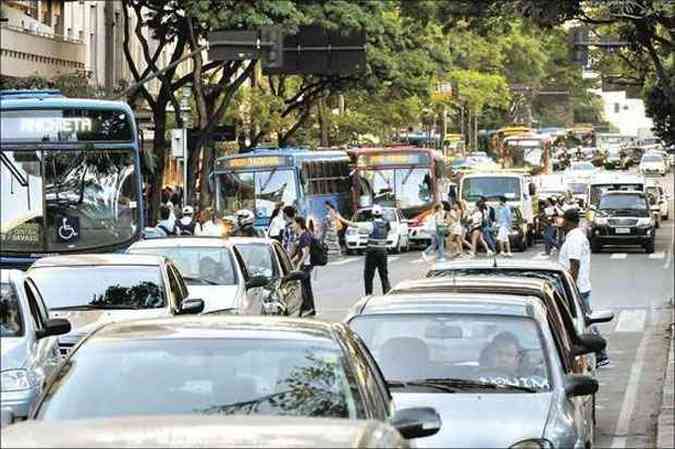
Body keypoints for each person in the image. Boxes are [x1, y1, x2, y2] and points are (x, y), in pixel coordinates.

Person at [558, 208, 610, 367]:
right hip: (582, 286)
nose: (560, 223)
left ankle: (600, 354)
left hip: (576, 288)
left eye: (562, 220)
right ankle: (597, 354)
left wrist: (569, 288)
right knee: (585, 320)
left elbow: (574, 264)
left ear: (568, 221)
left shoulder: (574, 239)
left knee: (584, 322)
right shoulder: (578, 236)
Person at [336, 204, 391, 295]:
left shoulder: (370, 225)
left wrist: (340, 218)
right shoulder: (386, 225)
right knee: (384, 275)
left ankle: (368, 295)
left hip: (372, 252)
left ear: (373, 214)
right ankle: (387, 293)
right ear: (381, 214)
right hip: (383, 252)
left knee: (368, 275)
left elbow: (354, 225)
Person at [290, 216, 316, 317]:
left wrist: (299, 264)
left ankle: (308, 307)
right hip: (304, 264)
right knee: (305, 285)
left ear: (299, 224)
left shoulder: (305, 235)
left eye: (293, 223)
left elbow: (306, 252)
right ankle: (310, 308)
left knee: (304, 286)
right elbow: (300, 253)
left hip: (306, 265)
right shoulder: (301, 235)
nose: (292, 226)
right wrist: (292, 261)